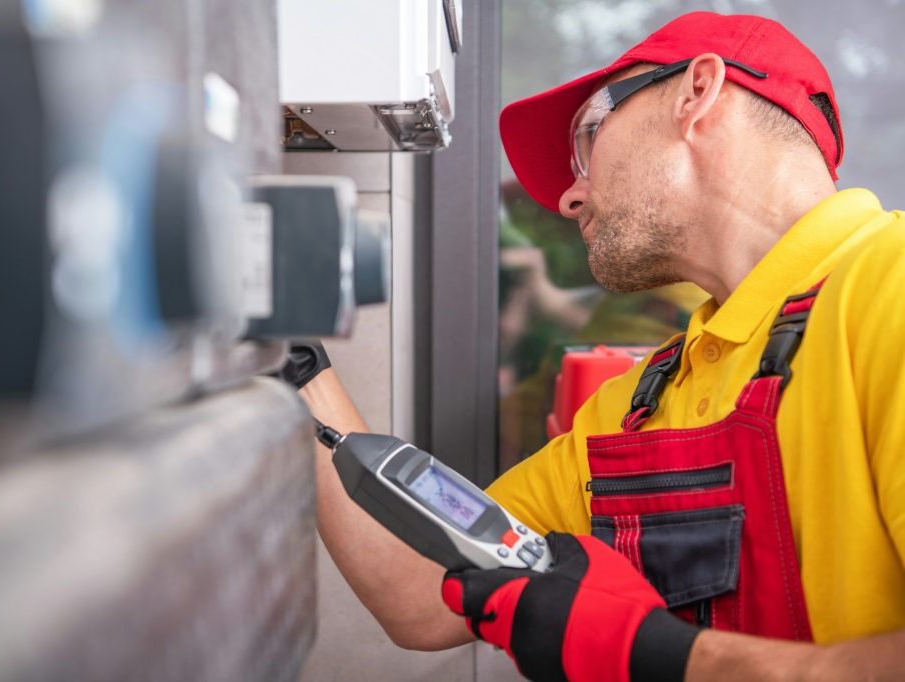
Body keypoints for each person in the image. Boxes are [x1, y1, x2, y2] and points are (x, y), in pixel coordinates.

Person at [298, 11, 905, 682]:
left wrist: (664, 658)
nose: (568, 196)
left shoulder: (889, 287)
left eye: (587, 139)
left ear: (696, 94)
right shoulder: (643, 404)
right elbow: (421, 590)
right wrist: (296, 362)